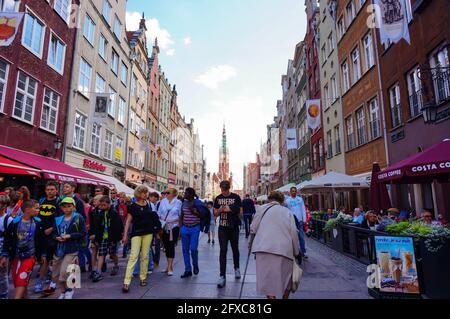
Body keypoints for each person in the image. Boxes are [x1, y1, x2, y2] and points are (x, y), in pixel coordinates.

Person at [250, 191, 300, 299]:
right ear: (282, 201)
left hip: (263, 248)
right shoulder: (287, 212)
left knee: (268, 282)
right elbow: (294, 233)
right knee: (286, 280)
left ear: (269, 199)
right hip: (284, 250)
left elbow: (253, 228)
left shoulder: (261, 209)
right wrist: (296, 252)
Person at [0, 200, 45, 299]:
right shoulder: (14, 222)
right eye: (36, 208)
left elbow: (42, 241)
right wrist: (4, 255)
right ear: (27, 210)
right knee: (17, 280)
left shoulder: (38, 222)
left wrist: (43, 254)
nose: (38, 210)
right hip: (16, 256)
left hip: (30, 256)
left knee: (22, 278)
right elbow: (8, 239)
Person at [122, 186, 160, 293]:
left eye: (146, 192)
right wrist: (125, 235)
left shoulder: (149, 205)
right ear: (138, 194)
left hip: (148, 233)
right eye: (143, 192)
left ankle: (143, 278)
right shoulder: (133, 206)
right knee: (133, 256)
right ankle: (126, 281)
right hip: (136, 233)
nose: (145, 194)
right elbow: (128, 222)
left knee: (145, 256)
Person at [50, 197, 87, 299]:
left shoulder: (78, 217)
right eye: (64, 206)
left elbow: (83, 232)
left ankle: (70, 290)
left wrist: (70, 236)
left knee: (64, 272)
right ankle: (63, 292)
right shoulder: (58, 219)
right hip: (59, 249)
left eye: (69, 206)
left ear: (73, 206)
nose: (67, 208)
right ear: (61, 208)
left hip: (71, 248)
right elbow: (53, 233)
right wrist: (56, 237)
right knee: (55, 275)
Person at [213, 180, 243, 288]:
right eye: (222, 190)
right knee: (223, 250)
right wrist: (221, 210)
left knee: (235, 249)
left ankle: (237, 268)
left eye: (225, 190)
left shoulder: (236, 197)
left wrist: (230, 209)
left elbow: (240, 213)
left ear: (229, 188)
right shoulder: (218, 198)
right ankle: (222, 276)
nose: (223, 192)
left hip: (234, 227)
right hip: (222, 228)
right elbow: (215, 214)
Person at [35, 181, 62, 294]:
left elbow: (60, 219)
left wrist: (51, 229)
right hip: (41, 234)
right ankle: (43, 278)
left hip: (53, 235)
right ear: (45, 190)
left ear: (56, 190)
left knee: (51, 259)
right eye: (48, 189)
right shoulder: (41, 201)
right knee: (43, 259)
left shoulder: (59, 202)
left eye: (52, 189)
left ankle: (47, 282)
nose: (50, 191)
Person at [90, 196, 123, 282]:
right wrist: (97, 237)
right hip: (103, 237)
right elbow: (97, 226)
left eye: (104, 205)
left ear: (109, 204)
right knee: (101, 253)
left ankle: (116, 265)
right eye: (101, 205)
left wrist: (115, 239)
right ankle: (98, 272)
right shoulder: (100, 213)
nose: (102, 207)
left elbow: (118, 227)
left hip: (112, 237)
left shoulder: (114, 213)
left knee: (112, 254)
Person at [180, 188, 208, 278]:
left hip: (194, 228)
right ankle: (187, 270)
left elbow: (204, 215)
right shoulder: (183, 203)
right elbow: (182, 215)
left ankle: (195, 265)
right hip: (185, 228)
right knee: (185, 250)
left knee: (193, 249)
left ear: (191, 194)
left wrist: (194, 211)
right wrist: (181, 228)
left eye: (186, 193)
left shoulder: (198, 203)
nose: (184, 194)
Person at [133, 192, 160, 276]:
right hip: (138, 230)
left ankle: (148, 267)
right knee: (138, 251)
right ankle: (137, 270)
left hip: (147, 230)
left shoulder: (150, 205)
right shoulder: (135, 205)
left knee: (147, 250)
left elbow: (154, 217)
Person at [157, 188, 182, 276]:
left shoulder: (178, 203)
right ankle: (167, 266)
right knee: (166, 246)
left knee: (171, 246)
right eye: (165, 192)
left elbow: (180, 215)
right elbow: (159, 213)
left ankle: (170, 267)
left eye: (168, 192)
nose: (166, 194)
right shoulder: (163, 202)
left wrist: (180, 228)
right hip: (164, 226)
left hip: (174, 227)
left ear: (174, 194)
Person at [284, 187, 308, 259]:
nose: (294, 192)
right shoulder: (287, 201)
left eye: (295, 191)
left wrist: (304, 219)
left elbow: (303, 209)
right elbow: (285, 210)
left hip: (300, 220)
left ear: (296, 192)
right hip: (291, 221)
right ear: (290, 192)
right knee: (292, 237)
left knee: (301, 237)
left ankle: (303, 252)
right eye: (292, 191)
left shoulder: (300, 199)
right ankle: (294, 252)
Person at [0, 193, 12, 299]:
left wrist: (5, 254)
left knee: (2, 275)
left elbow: (10, 239)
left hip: (2, 250)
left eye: (2, 204)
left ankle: (3, 295)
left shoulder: (8, 219)